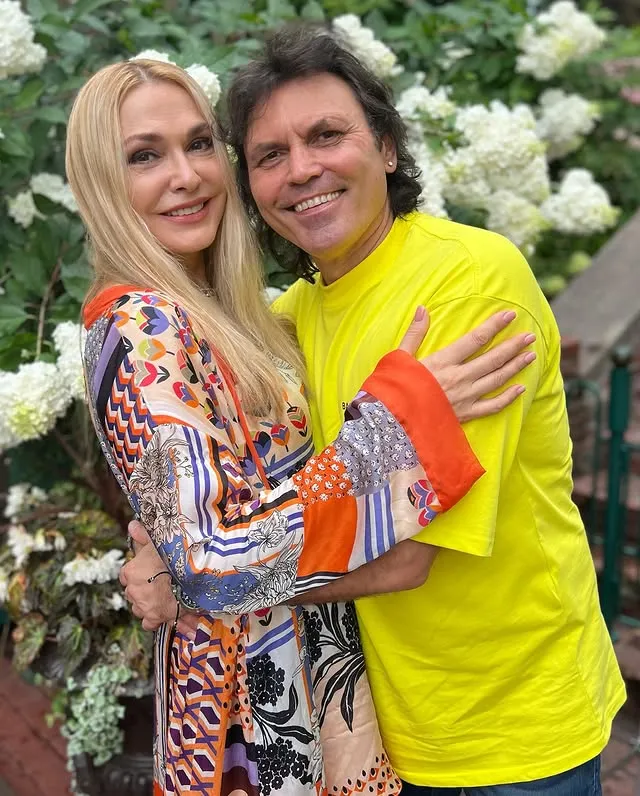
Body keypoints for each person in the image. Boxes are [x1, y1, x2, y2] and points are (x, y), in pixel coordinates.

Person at [128, 26, 625, 796]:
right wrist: (168, 549)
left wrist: (199, 583)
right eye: (270, 155)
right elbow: (252, 498)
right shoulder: (291, 320)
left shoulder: (468, 284)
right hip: (381, 737)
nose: (302, 169)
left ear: (387, 147)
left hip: (511, 735)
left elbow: (405, 556)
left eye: (327, 135)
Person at [67, 58, 534, 796]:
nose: (186, 176)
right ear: (99, 182)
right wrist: (393, 424)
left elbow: (211, 530)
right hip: (254, 706)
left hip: (316, 682)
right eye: (144, 156)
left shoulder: (253, 319)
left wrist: (171, 562)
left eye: (199, 144)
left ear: (386, 145)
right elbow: (211, 562)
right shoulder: (142, 328)